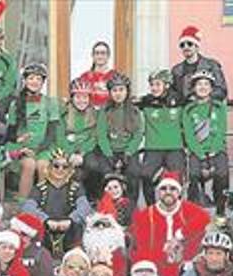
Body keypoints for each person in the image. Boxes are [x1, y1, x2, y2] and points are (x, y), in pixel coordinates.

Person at [130, 171, 210, 276]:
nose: (168, 192)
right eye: (163, 188)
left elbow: (205, 218)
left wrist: (179, 235)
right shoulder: (145, 216)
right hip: (157, 269)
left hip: (185, 266)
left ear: (179, 192)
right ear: (158, 192)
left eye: (173, 188)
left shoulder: (187, 208)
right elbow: (141, 248)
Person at [21, 149, 91, 258]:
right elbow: (28, 207)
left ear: (70, 169)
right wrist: (45, 220)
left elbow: (85, 207)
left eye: (65, 166)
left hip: (70, 233)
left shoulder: (76, 187)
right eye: (56, 166)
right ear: (49, 168)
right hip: (45, 234)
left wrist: (71, 220)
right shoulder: (40, 188)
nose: (60, 169)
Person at [6, 63, 60, 200]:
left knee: (42, 166)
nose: (34, 82)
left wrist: (40, 149)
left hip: (44, 148)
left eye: (38, 79)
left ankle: (43, 202)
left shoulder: (50, 102)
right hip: (24, 149)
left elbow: (52, 132)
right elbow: (10, 133)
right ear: (25, 80)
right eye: (31, 78)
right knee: (29, 165)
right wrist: (20, 145)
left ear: (42, 82)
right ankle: (22, 204)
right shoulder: (16, 104)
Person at [182, 70, 228, 214]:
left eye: (206, 84)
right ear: (194, 88)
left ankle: (220, 210)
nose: (202, 87)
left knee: (222, 175)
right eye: (199, 84)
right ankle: (192, 210)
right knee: (194, 175)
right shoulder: (189, 109)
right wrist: (201, 154)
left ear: (211, 88)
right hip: (197, 150)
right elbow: (189, 135)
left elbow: (221, 131)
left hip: (217, 149)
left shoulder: (219, 107)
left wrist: (213, 152)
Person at [137, 69, 185, 205]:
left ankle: (176, 208)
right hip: (153, 148)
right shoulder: (146, 101)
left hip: (174, 147)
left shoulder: (179, 100)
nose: (154, 88)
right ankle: (151, 208)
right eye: (152, 85)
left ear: (167, 85)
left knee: (177, 179)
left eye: (158, 84)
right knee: (145, 176)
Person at [97, 73, 145, 205]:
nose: (118, 94)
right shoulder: (105, 111)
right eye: (114, 90)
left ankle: (131, 205)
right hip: (110, 151)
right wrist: (108, 154)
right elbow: (101, 134)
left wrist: (129, 153)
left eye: (121, 90)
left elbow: (138, 134)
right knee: (105, 174)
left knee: (133, 173)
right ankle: (107, 205)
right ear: (110, 93)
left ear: (127, 91)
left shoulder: (134, 110)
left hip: (128, 151)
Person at [59, 78, 103, 201]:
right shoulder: (64, 114)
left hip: (87, 150)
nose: (81, 101)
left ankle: (93, 198)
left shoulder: (95, 114)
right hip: (68, 149)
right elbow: (60, 137)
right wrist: (70, 154)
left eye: (85, 97)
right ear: (72, 98)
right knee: (71, 172)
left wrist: (82, 154)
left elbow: (94, 137)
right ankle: (73, 199)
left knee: (93, 166)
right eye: (78, 97)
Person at [171, 26, 228, 102]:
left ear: (197, 47)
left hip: (208, 109)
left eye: (189, 44)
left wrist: (203, 98)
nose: (186, 47)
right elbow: (173, 92)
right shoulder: (176, 70)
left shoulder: (212, 65)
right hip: (186, 110)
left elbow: (221, 90)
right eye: (182, 45)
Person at [10, 212, 54, 276]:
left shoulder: (42, 254)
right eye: (15, 233)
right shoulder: (7, 250)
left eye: (24, 235)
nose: (20, 237)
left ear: (31, 237)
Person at [77, 41, 114, 108]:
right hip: (90, 114)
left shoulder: (115, 76)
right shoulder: (84, 77)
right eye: (97, 53)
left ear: (108, 56)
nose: (100, 56)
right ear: (92, 56)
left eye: (103, 53)